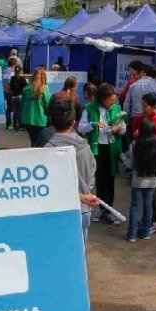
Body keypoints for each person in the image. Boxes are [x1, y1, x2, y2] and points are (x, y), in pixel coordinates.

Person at [45, 99, 97, 242]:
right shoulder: (85, 147)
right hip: (84, 210)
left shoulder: (47, 151)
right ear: (74, 122)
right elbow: (92, 172)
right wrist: (85, 190)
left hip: (61, 212)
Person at [78, 83, 127, 225]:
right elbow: (81, 128)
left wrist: (119, 128)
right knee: (99, 180)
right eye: (109, 100)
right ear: (101, 99)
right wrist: (93, 124)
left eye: (114, 99)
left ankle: (109, 211)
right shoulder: (89, 108)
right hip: (97, 149)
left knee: (110, 180)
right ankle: (101, 210)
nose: (112, 102)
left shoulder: (117, 108)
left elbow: (124, 128)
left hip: (111, 149)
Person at [121, 119, 156, 242]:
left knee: (135, 206)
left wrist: (123, 157)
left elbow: (130, 164)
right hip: (153, 180)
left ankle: (131, 234)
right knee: (148, 205)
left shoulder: (135, 144)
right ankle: (145, 232)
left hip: (138, 180)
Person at [132, 92, 156, 234]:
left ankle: (153, 222)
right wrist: (141, 116)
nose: (143, 108)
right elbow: (135, 125)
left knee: (149, 195)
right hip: (146, 159)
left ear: (154, 106)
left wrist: (138, 136)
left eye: (145, 106)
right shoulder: (146, 117)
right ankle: (149, 221)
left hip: (153, 160)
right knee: (148, 195)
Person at [21, 67, 51, 147]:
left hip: (28, 119)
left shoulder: (26, 89)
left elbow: (22, 104)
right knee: (42, 143)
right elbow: (48, 105)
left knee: (33, 141)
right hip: (41, 119)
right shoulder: (45, 90)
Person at [9, 66, 28, 131]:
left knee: (15, 112)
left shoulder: (12, 78)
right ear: (20, 71)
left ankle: (15, 126)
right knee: (20, 112)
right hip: (20, 97)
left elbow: (11, 88)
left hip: (14, 97)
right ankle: (21, 126)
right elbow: (26, 88)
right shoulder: (22, 79)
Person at [3, 58, 16, 130]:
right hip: (10, 92)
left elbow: (5, 83)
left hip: (6, 91)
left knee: (9, 108)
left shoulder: (5, 71)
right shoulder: (11, 72)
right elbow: (8, 83)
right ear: (14, 64)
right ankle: (10, 124)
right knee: (11, 108)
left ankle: (8, 123)